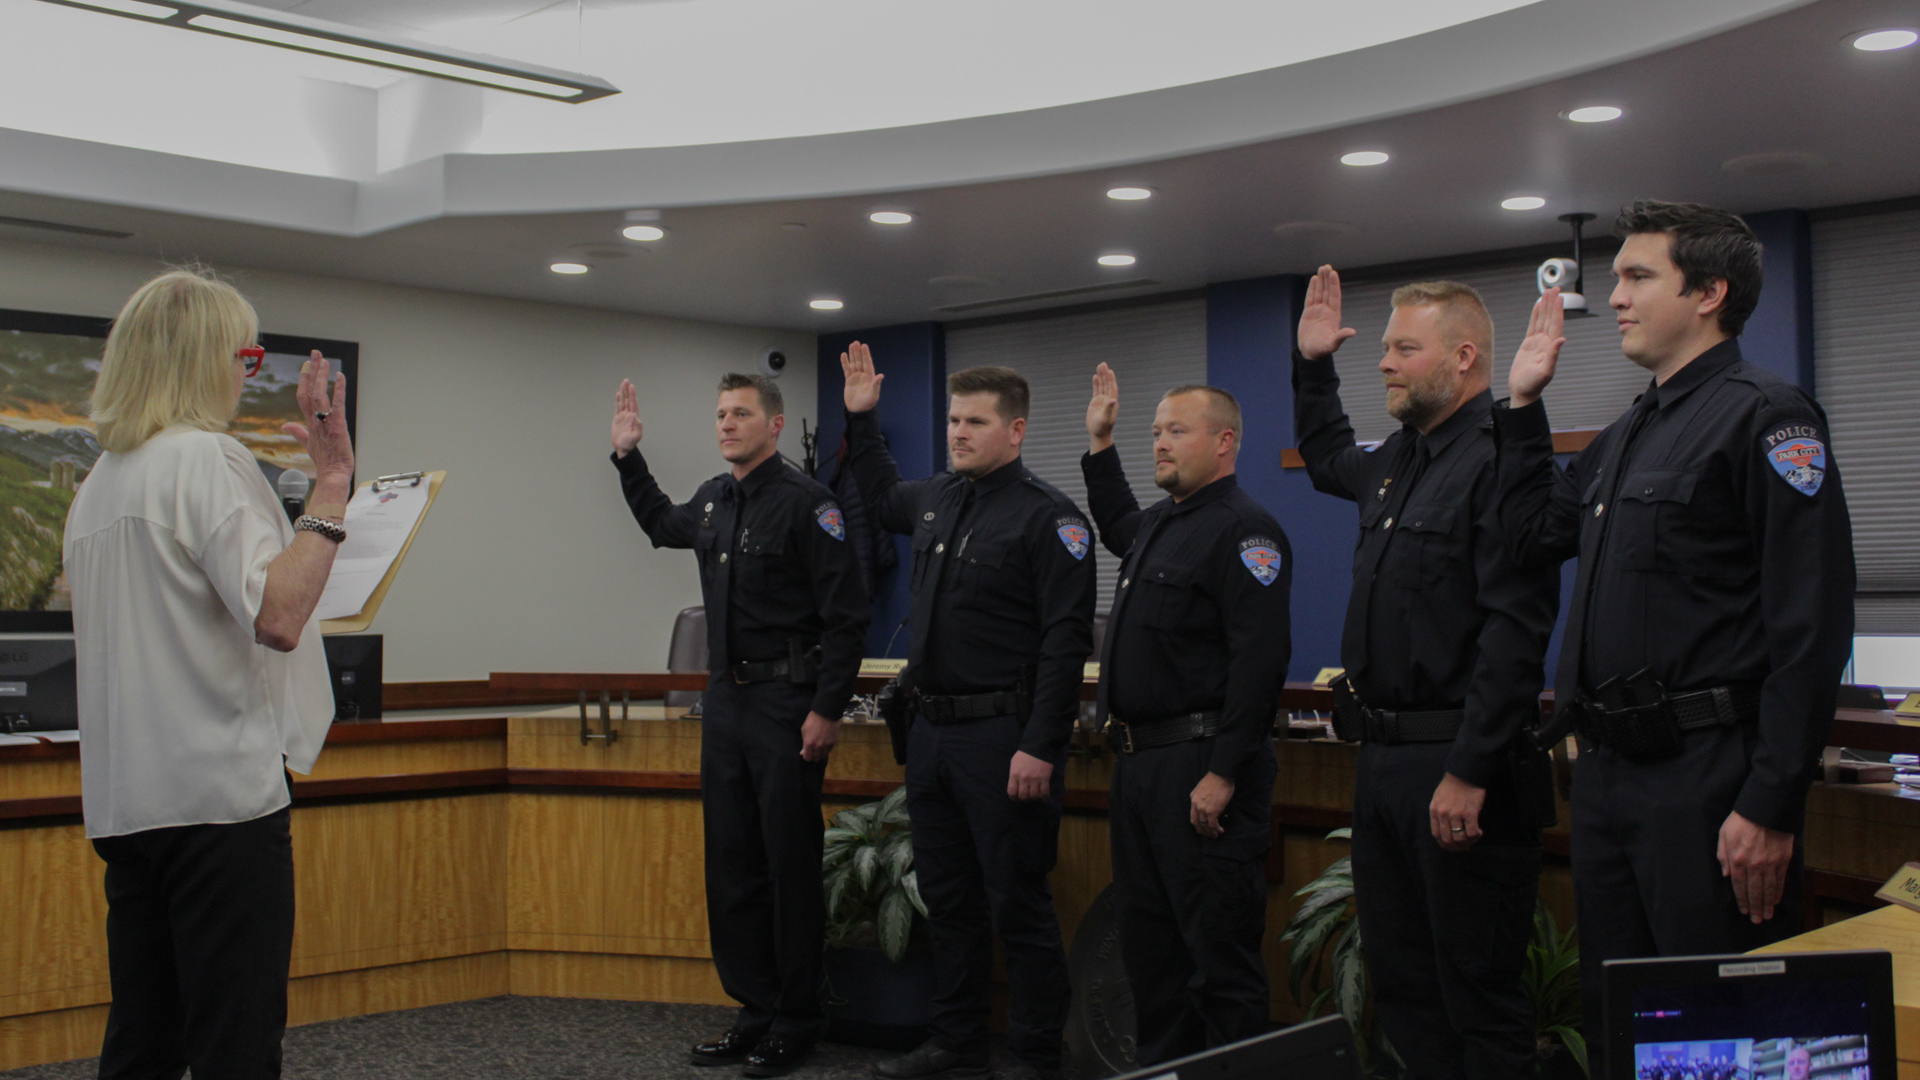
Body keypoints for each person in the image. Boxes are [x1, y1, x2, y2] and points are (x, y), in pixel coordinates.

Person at [1498, 200, 1855, 1075]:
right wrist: (1520, 406)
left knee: (1720, 1033)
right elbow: (1526, 536)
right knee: (1621, 1026)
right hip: (1613, 777)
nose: (1612, 296)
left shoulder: (1768, 417)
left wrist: (1770, 804)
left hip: (1712, 781)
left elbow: (1810, 624)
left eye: (1635, 277)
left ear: (1709, 293)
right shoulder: (1625, 436)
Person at [65, 267, 352, 1079]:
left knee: (144, 1046)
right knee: (236, 1046)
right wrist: (331, 488)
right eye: (246, 355)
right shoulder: (208, 461)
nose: (247, 373)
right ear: (202, 358)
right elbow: (279, 614)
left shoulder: (99, 486)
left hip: (130, 806)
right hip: (219, 808)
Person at [1291, 269, 1560, 1077]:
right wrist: (1312, 366)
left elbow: (1516, 631)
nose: (1385, 363)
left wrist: (1470, 768)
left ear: (1465, 358)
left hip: (1462, 766)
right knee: (1405, 990)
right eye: (1383, 349)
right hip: (1385, 765)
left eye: (1405, 348)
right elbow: (1324, 451)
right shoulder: (1397, 460)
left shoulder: (1499, 459)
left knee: (1477, 996)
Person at [840, 343, 1095, 1080]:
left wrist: (1041, 746)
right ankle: (955, 1041)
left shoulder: (1051, 520)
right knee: (947, 899)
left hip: (1003, 737)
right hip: (933, 733)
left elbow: (1064, 646)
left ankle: (1036, 1053)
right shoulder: (940, 499)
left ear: (1015, 430)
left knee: (1016, 901)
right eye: (953, 420)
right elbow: (878, 489)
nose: (958, 433)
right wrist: (862, 420)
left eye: (975, 422)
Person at [610, 372, 869, 1077]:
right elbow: (664, 525)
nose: (727, 424)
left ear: (775, 425)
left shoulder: (809, 506)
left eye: (741, 414)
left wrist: (826, 707)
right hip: (726, 702)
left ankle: (796, 1017)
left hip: (788, 705)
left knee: (787, 864)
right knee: (732, 865)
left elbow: (848, 618)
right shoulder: (715, 499)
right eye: (721, 414)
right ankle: (752, 1011)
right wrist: (629, 458)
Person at [1082, 367, 1290, 1066]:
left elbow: (1259, 667)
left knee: (1217, 963)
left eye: (1176, 431)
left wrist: (1224, 772)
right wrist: (1102, 445)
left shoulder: (1244, 533)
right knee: (1152, 957)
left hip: (1201, 769)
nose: (1160, 444)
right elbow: (1117, 525)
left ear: (1224, 442)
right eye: (1155, 433)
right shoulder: (1162, 525)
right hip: (1140, 768)